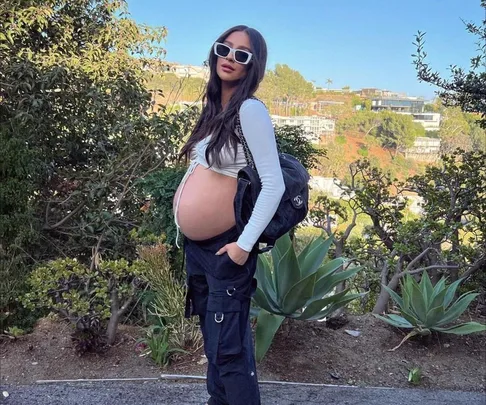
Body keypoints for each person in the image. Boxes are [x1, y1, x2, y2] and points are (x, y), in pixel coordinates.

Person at [173, 25, 285, 405]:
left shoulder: (249, 110)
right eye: (225, 48)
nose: (230, 57)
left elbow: (274, 184)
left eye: (242, 54)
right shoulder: (214, 112)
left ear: (253, 66)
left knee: (231, 352)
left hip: (227, 251)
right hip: (200, 249)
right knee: (215, 346)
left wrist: (242, 246)